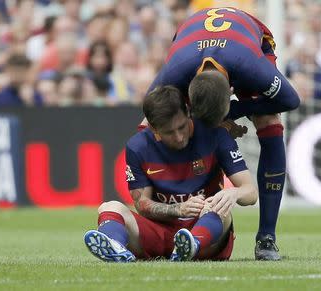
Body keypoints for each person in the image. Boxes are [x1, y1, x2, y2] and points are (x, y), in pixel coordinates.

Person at [145, 7, 300, 260]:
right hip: (190, 41)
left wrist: (236, 110)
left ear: (231, 90)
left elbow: (291, 100)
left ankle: (267, 238)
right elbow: (148, 112)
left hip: (250, 41)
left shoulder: (252, 67)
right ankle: (170, 226)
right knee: (161, 119)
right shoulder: (176, 71)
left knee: (269, 119)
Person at [84, 85, 257, 262]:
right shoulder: (138, 147)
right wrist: (178, 209)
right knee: (109, 207)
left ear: (188, 112)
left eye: (182, 127)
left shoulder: (215, 135)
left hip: (207, 232)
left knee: (220, 209)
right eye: (169, 132)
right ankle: (116, 247)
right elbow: (142, 204)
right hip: (161, 233)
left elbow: (250, 193)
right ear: (153, 128)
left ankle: (192, 244)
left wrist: (233, 193)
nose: (179, 137)